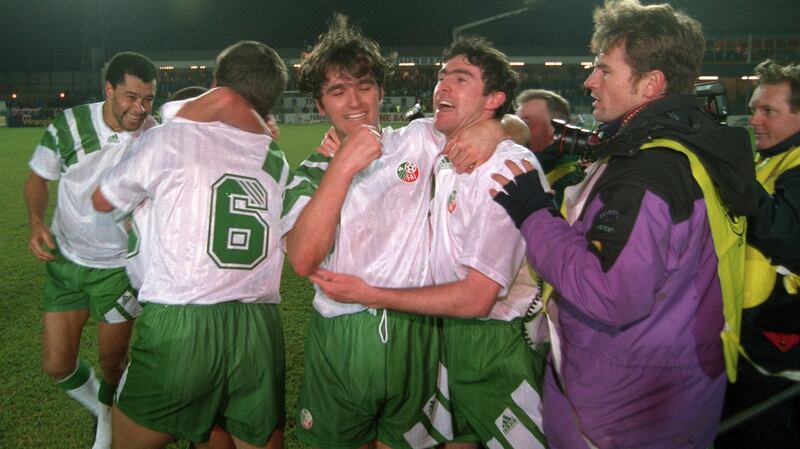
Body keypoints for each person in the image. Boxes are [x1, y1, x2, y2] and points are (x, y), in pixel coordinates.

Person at [490, 1, 758, 448]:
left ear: (651, 83)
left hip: (621, 413)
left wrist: (534, 210)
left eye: (604, 71)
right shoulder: (689, 146)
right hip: (673, 389)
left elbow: (609, 293)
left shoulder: (649, 170)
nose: (588, 81)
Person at [311, 36, 550, 449]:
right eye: (442, 77)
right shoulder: (445, 153)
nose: (442, 86)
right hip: (448, 336)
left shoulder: (505, 166)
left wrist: (495, 127)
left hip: (498, 339)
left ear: (493, 98)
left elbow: (477, 298)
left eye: (460, 78)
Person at [282, 15, 505, 449]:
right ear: (319, 105)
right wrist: (343, 165)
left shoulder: (418, 139)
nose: (354, 100)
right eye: (337, 90)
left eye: (364, 85)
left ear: (381, 90)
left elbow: (510, 129)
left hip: (417, 330)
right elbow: (303, 260)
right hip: (344, 338)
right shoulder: (308, 175)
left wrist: (493, 129)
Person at [92, 40, 289, 449]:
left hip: (182, 318)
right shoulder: (277, 159)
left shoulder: (170, 137)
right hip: (260, 325)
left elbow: (102, 199)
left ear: (215, 86)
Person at [23, 51, 158, 449]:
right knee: (56, 364)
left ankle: (107, 415)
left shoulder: (155, 133)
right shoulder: (71, 124)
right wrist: (35, 222)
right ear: (109, 89)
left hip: (118, 269)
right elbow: (38, 179)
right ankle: (101, 405)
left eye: (148, 98)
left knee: (113, 363)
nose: (141, 108)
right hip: (65, 261)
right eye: (132, 97)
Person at [715, 59, 800, 449]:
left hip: (778, 352)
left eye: (768, 111)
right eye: (752, 108)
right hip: (753, 343)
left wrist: (735, 174)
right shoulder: (773, 159)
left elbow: (787, 236)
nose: (754, 120)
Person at [515, 89, 584, 205]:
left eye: (525, 124)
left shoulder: (572, 184)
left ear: (557, 131)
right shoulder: (522, 171)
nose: (517, 131)